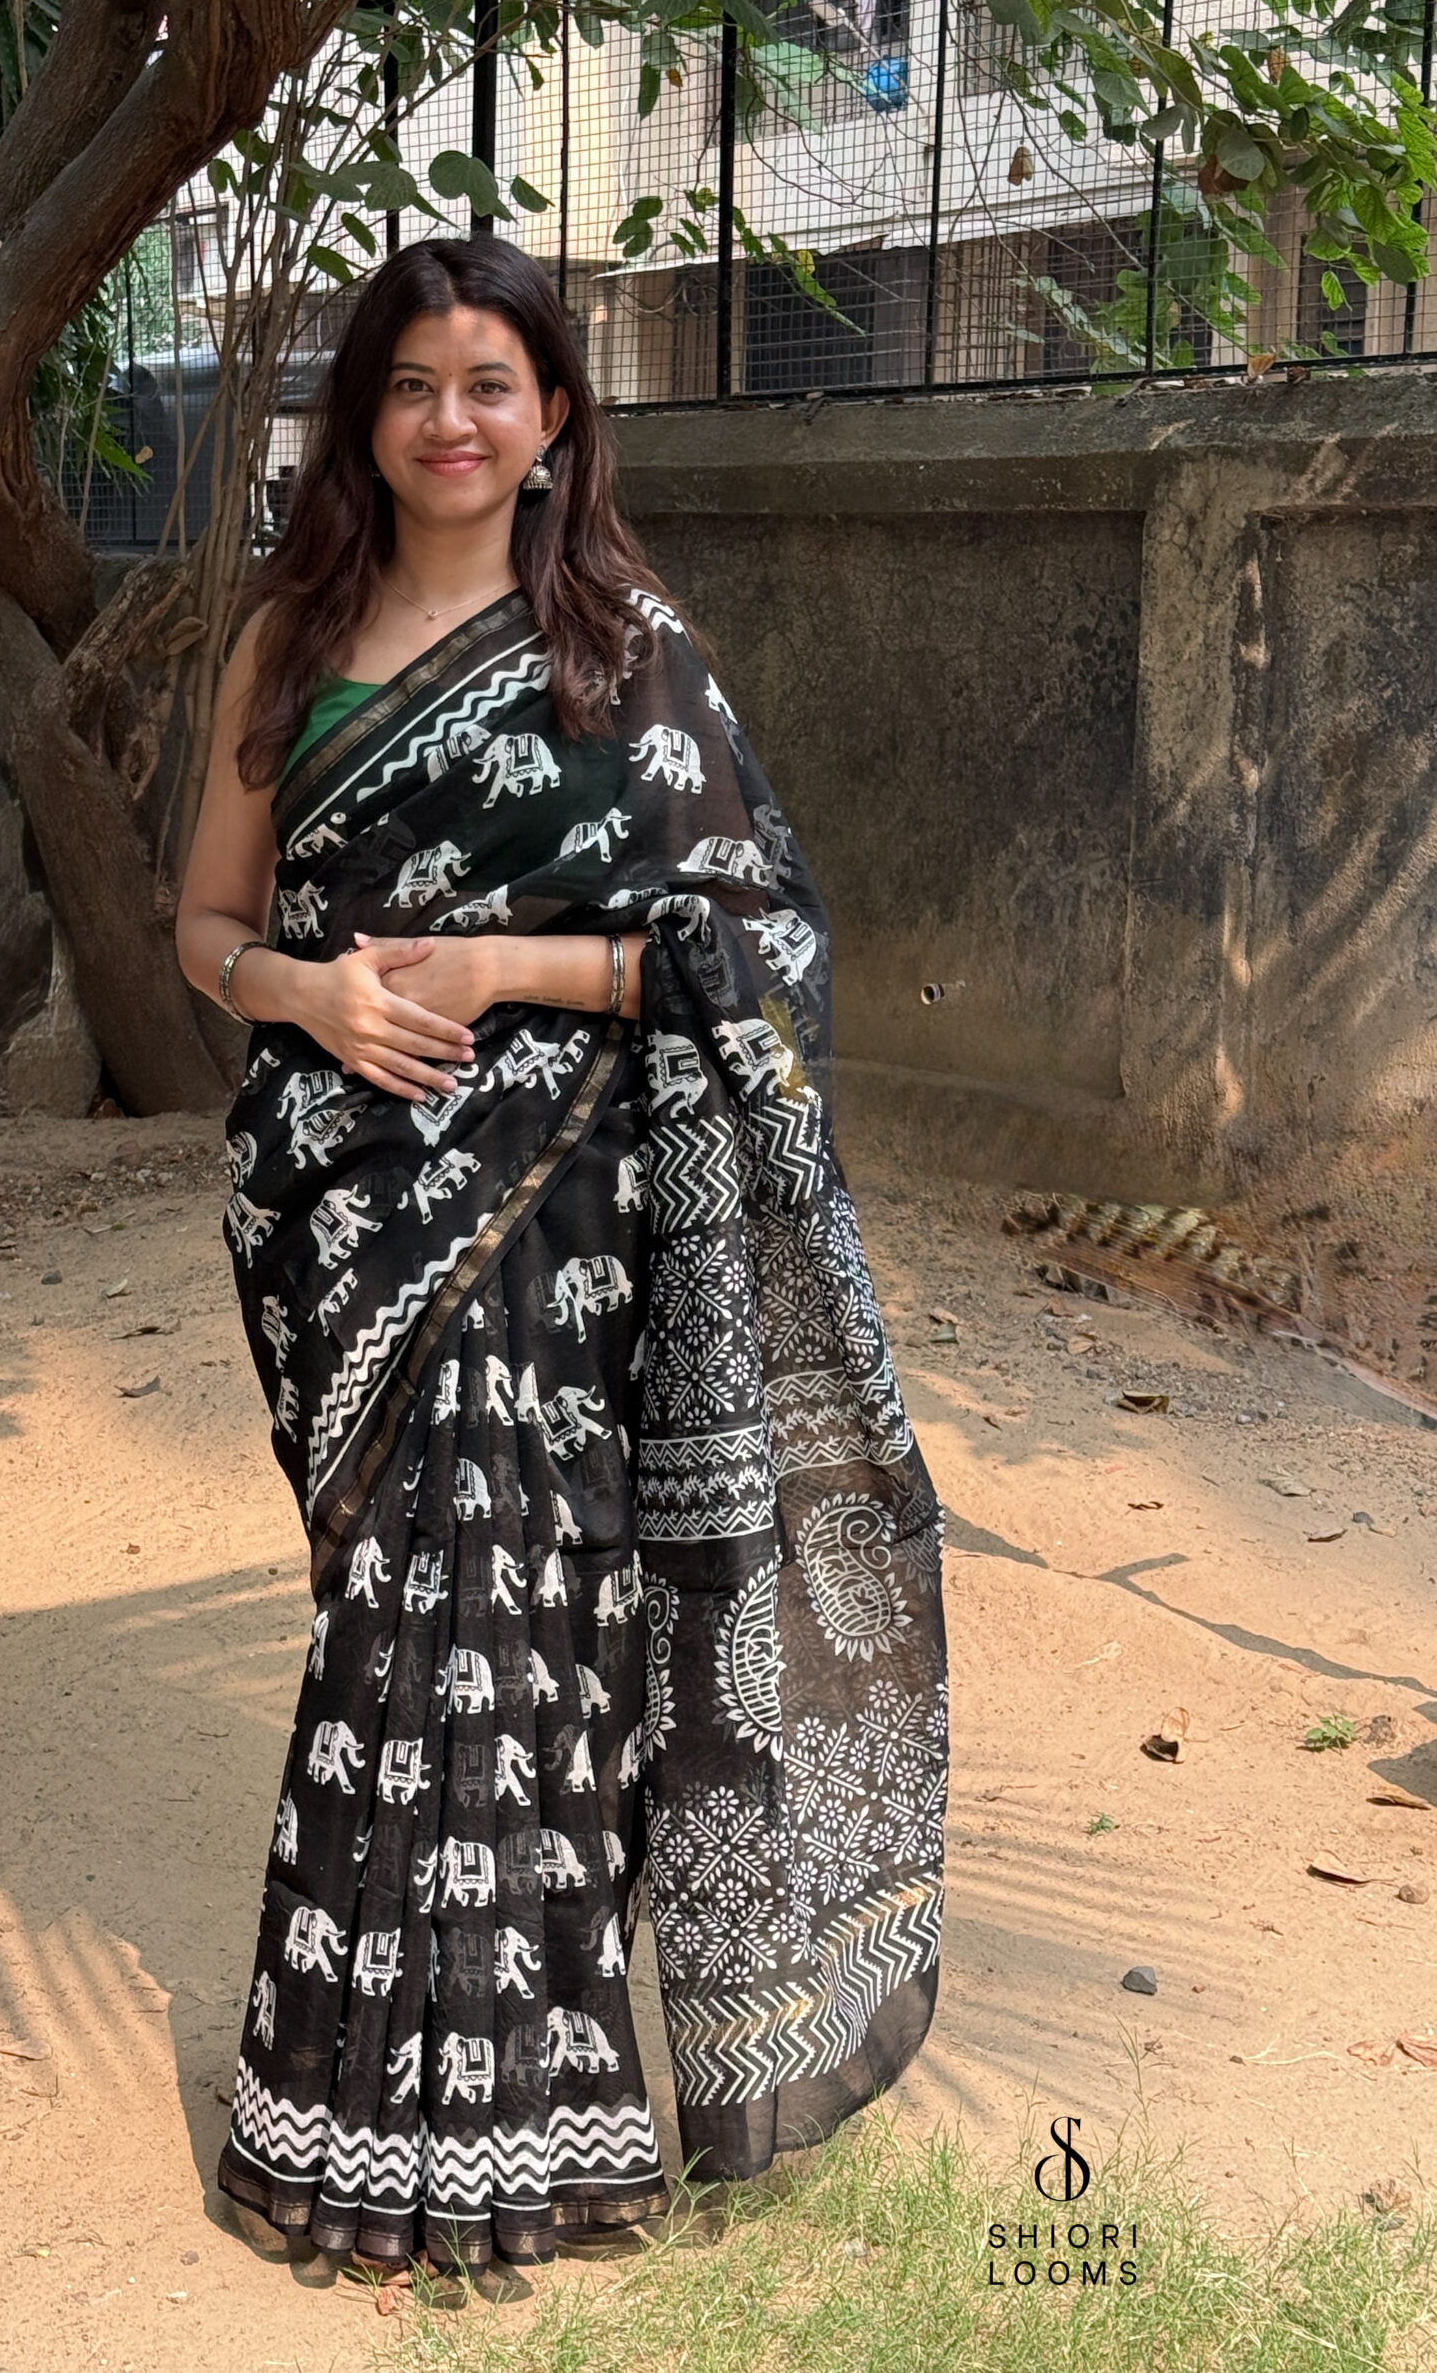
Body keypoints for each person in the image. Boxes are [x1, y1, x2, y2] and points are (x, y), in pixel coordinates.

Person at [174, 235, 947, 2276]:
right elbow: (201, 930)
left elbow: (758, 934)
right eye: (413, 383)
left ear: (554, 418)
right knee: (392, 1617)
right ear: (363, 413)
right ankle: (338, 2101)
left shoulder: (620, 640)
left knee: (524, 1620)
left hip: (575, 1202)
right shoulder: (287, 636)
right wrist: (314, 1004)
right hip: (349, 1188)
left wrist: (513, 958)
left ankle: (532, 2105)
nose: (449, 419)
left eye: (489, 384)